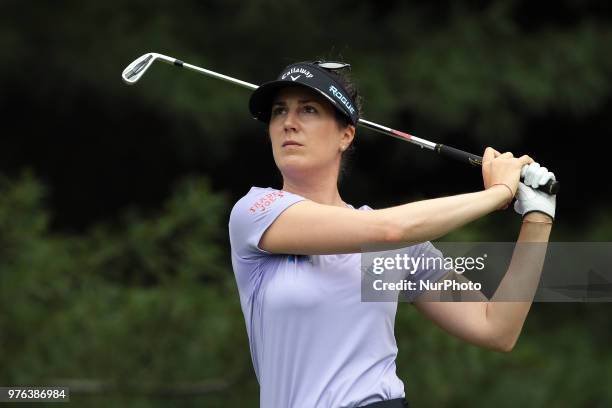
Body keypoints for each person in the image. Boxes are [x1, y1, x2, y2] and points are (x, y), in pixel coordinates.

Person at [228, 60, 556, 408]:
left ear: (346, 134)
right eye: (279, 112)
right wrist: (497, 194)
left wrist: (539, 216)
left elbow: (496, 328)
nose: (288, 124)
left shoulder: (399, 249)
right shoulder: (257, 212)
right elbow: (386, 230)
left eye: (308, 110)